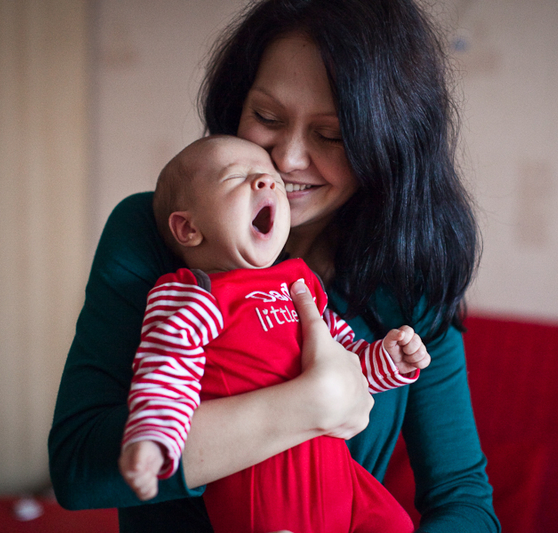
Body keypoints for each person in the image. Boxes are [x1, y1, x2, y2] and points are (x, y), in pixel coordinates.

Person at [48, 1, 500, 532]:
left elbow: (464, 500)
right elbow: (79, 470)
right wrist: (309, 405)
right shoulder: (157, 237)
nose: (286, 160)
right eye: (267, 118)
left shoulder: (409, 281)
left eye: (331, 135)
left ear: (388, 145)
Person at [119, 135, 427, 532]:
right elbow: (165, 370)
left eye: (272, 180)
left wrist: (388, 360)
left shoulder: (299, 280)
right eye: (237, 177)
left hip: (341, 480)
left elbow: (346, 365)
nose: (265, 181)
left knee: (396, 524)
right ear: (188, 228)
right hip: (265, 487)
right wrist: (151, 441)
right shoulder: (196, 293)